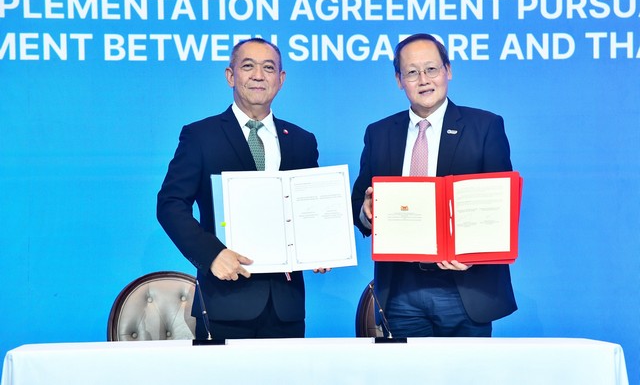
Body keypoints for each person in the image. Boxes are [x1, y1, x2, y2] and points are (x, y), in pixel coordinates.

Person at [157, 38, 326, 340]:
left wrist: (320, 246)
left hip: (285, 307)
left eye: (268, 68)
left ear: (281, 79)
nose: (258, 75)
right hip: (224, 302)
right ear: (230, 76)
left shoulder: (302, 141)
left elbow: (309, 208)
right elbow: (170, 204)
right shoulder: (200, 136)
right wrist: (212, 255)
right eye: (248, 66)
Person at [351, 33, 517, 338]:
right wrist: (366, 210)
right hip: (401, 290)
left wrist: (474, 254)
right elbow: (358, 205)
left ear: (448, 71)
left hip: (465, 287)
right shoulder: (380, 133)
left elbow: (499, 205)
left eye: (431, 69)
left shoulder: (484, 126)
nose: (424, 80)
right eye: (412, 72)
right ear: (399, 80)